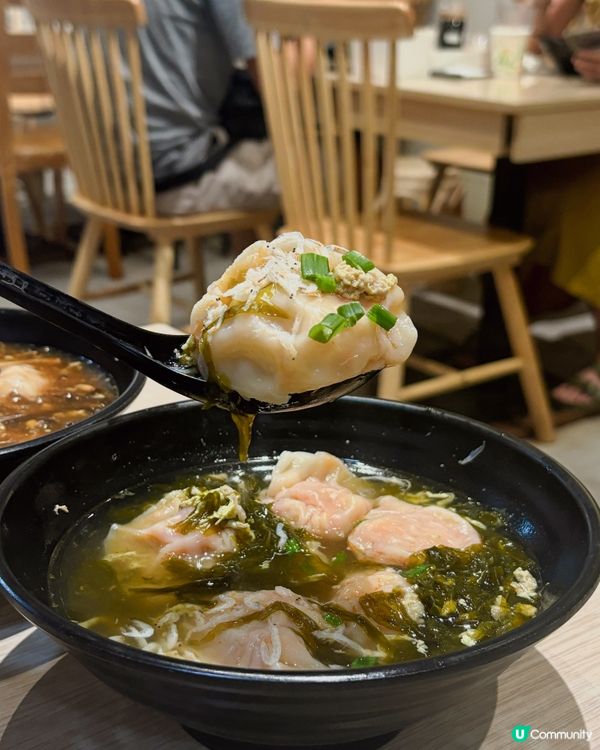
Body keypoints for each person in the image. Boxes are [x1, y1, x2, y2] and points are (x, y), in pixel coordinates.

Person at [525, 0, 600, 410]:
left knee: (590, 202)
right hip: (579, 128)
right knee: (536, 188)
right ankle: (504, 332)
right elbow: (536, 47)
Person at [138, 0, 279, 216]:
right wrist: (306, 30)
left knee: (244, 135)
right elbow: (278, 90)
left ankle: (250, 249)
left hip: (107, 174)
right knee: (335, 165)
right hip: (174, 177)